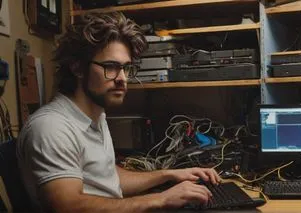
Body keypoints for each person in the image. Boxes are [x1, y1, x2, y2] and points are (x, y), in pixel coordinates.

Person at [16, 12, 221, 212]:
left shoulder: (95, 115)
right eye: (111, 67)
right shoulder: (52, 127)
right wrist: (162, 199)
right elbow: (67, 206)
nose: (122, 78)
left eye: (126, 68)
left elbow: (108, 178)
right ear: (77, 68)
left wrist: (169, 175)